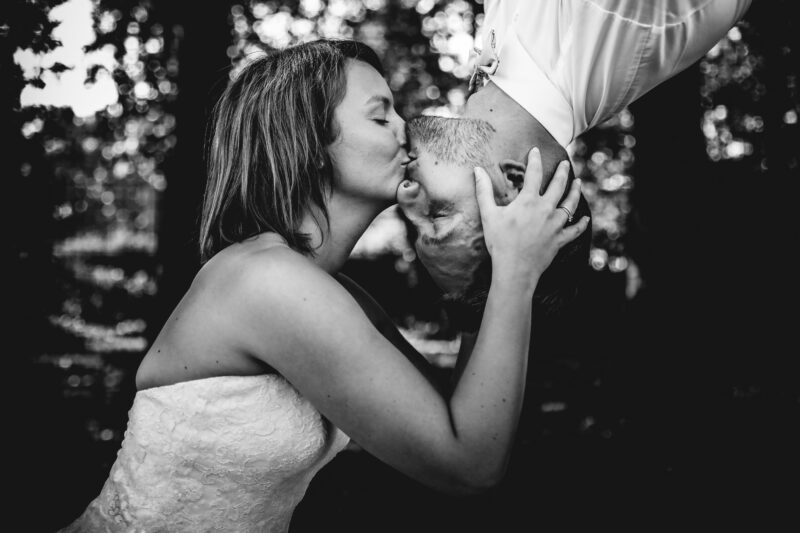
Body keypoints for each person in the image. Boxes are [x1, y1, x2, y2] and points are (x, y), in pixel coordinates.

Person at [57, 39, 589, 532]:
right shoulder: (269, 282)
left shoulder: (332, 291)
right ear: (310, 145)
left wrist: (473, 287)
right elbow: (468, 464)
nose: (406, 128)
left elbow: (458, 413)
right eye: (380, 115)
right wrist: (515, 275)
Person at [398, 0, 753, 309]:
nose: (405, 196)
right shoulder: (629, 21)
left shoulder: (512, 56)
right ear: (516, 183)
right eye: (437, 216)